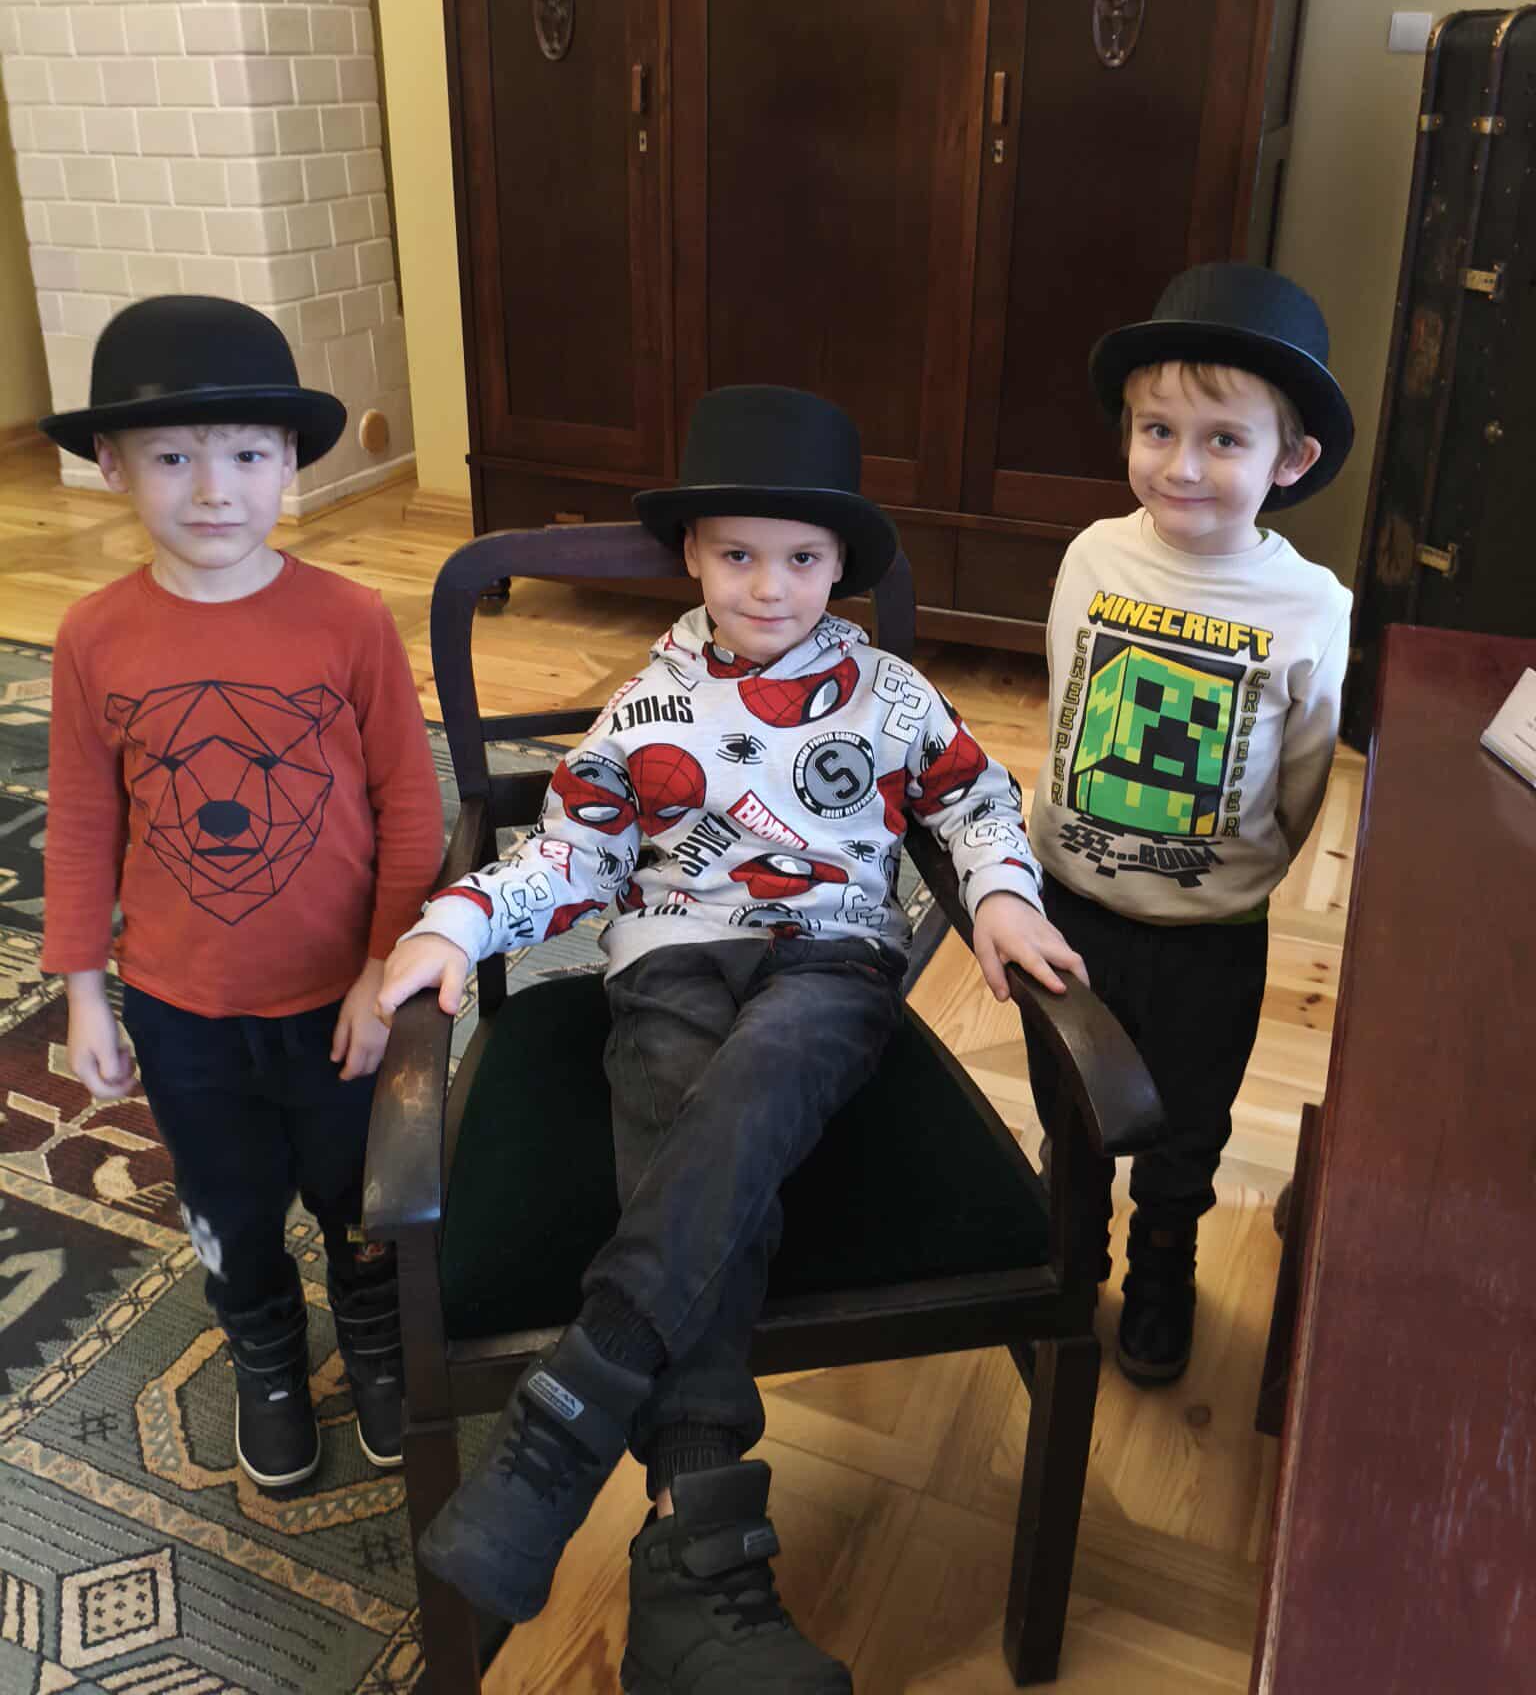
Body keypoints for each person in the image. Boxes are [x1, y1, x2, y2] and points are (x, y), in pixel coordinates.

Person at [378, 383, 1085, 1694]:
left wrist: (998, 893)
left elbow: (979, 800)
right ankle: (697, 1566)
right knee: (683, 1110)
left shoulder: (889, 694)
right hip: (669, 954)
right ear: (693, 557)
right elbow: (573, 852)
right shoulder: (646, 706)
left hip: (831, 957)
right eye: (740, 554)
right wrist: (459, 921)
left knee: (759, 1081)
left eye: (803, 558)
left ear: (840, 563)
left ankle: (573, 1400)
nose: (770, 586)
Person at [40, 297, 443, 1489]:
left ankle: (372, 1334)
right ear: (112, 464)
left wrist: (381, 966)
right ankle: (266, 1351)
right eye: (173, 456)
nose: (215, 488)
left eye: (248, 454)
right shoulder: (93, 636)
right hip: (183, 1009)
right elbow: (85, 819)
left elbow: (410, 806)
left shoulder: (349, 621)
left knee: (358, 1193)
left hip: (339, 998)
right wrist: (85, 989)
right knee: (228, 1201)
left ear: (290, 463)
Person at [1026, 262, 1354, 1385]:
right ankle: (1069, 1253)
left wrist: (1231, 876)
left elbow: (1305, 778)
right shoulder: (1092, 556)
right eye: (1157, 429)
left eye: (1224, 440)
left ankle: (1163, 1257)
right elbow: (1066, 702)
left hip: (1210, 934)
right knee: (1067, 1105)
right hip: (1070, 906)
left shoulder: (1311, 607)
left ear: (1289, 460)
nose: (1180, 465)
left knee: (1186, 1121)